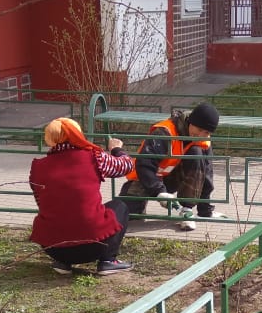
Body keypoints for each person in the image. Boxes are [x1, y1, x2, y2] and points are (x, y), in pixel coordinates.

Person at [28, 117, 134, 276]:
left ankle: (63, 264)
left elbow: (40, 202)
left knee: (59, 210)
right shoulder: (94, 157)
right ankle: (108, 260)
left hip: (54, 248)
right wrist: (116, 149)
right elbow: (126, 166)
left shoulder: (37, 167)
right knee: (120, 206)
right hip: (95, 245)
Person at [119, 102, 222, 232]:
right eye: (199, 129)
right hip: (145, 178)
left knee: (196, 154)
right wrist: (159, 191)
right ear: (190, 121)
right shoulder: (165, 132)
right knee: (124, 215)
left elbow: (206, 176)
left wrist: (205, 210)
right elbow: (144, 164)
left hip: (173, 177)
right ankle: (138, 207)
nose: (201, 135)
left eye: (206, 132)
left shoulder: (203, 142)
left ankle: (186, 210)